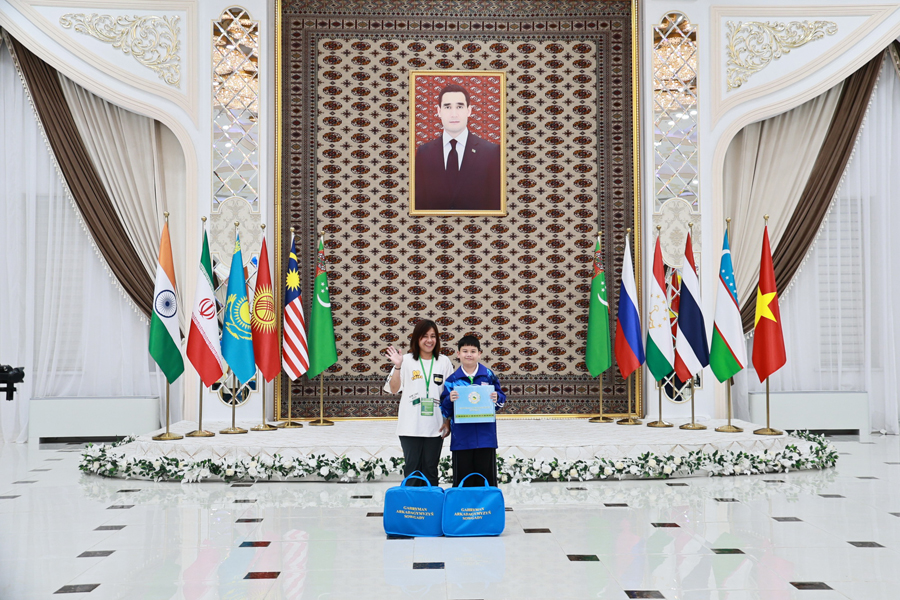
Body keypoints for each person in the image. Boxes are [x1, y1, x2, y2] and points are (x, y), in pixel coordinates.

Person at [384, 319, 454, 486]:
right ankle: (412, 510)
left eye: (433, 336)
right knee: (412, 471)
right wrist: (398, 366)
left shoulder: (443, 361)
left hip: (435, 426)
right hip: (410, 427)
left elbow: (448, 395)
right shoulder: (405, 360)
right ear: (416, 338)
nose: (429, 340)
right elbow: (393, 389)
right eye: (424, 336)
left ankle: (431, 510)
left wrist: (447, 421)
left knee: (431, 470)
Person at [414, 83, 502, 212]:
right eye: (447, 107)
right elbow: (418, 203)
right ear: (439, 111)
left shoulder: (491, 153)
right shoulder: (424, 153)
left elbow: (496, 204)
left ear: (469, 110)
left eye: (459, 106)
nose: (454, 114)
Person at [440, 335, 507, 487]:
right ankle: (463, 510)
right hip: (462, 439)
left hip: (486, 438)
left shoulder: (489, 376)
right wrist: (449, 399)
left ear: (479, 353)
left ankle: (486, 510)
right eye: (464, 351)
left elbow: (501, 398)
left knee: (486, 481)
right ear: (458, 354)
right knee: (463, 481)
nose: (469, 354)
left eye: (473, 351)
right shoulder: (452, 380)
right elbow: (445, 410)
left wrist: (497, 398)